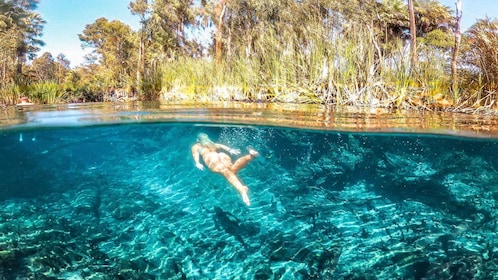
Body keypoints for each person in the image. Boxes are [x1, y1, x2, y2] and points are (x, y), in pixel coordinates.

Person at [191, 133, 258, 206]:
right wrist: (230, 150)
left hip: (212, 161)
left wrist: (197, 162)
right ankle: (249, 157)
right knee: (232, 170)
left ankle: (242, 190)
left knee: (226, 172)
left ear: (198, 140)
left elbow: (195, 154)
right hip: (222, 156)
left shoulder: (196, 146)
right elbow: (221, 146)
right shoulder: (211, 144)